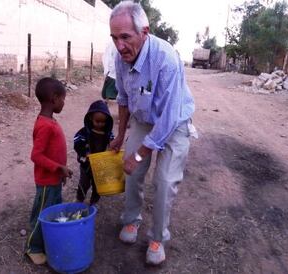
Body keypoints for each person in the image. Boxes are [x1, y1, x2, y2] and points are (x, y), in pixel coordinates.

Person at [108, 1, 196, 265]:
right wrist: (121, 135)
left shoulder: (165, 58)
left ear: (144, 32)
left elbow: (169, 116)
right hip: (144, 120)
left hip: (174, 123)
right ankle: (131, 219)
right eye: (114, 38)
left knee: (165, 182)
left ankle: (157, 237)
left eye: (125, 37)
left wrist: (141, 153)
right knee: (132, 172)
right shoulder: (120, 58)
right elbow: (123, 99)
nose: (119, 45)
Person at [26, 77, 73, 265]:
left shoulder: (50, 121)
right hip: (46, 181)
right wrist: (59, 168)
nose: (64, 103)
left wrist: (60, 172)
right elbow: (36, 156)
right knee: (42, 214)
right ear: (54, 98)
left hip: (54, 179)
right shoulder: (45, 125)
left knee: (51, 210)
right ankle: (33, 247)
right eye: (63, 99)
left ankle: (47, 239)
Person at [74, 100, 114, 205]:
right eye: (97, 121)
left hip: (101, 165)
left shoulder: (108, 133)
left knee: (98, 185)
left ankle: (94, 203)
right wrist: (84, 152)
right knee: (84, 183)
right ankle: (79, 199)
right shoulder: (83, 132)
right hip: (86, 165)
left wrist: (112, 146)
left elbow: (113, 142)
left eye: (103, 122)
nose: (100, 124)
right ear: (90, 118)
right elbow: (77, 142)